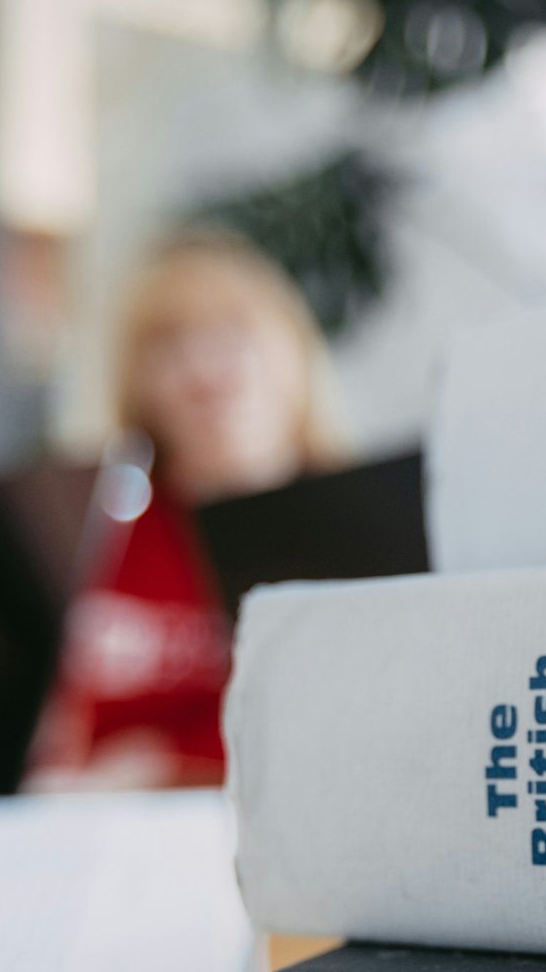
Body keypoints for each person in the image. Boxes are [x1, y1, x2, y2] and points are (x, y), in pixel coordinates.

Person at [25, 229, 336, 791]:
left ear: (291, 352)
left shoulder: (356, 528)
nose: (204, 370)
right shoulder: (98, 536)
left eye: (233, 333)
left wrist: (167, 766)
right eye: (168, 345)